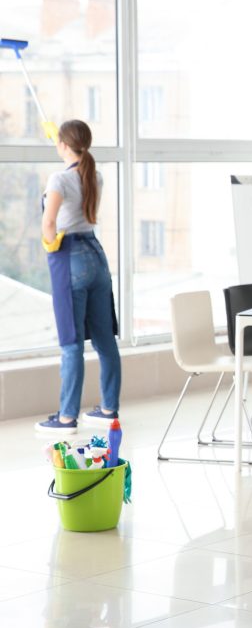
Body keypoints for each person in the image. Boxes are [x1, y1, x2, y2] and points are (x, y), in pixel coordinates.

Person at [35, 120, 121, 434]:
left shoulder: (59, 178)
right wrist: (59, 141)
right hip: (97, 257)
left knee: (71, 343)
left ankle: (67, 417)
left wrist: (49, 246)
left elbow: (49, 223)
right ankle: (109, 409)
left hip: (70, 256)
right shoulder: (94, 174)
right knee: (104, 341)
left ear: (62, 144)